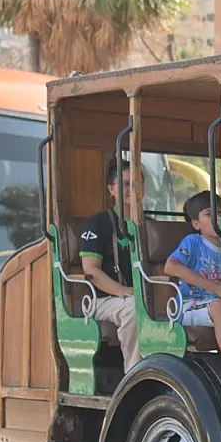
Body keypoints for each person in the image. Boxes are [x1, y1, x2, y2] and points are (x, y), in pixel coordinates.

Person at [164, 191, 221, 392]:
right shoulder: (193, 242)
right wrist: (216, 289)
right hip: (190, 305)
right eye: (209, 214)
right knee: (218, 306)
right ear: (196, 224)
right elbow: (171, 267)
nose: (217, 218)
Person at [79, 157, 142, 373]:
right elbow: (91, 270)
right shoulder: (98, 223)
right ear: (111, 189)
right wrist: (121, 290)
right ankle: (134, 375)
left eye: (136, 184)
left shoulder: (147, 223)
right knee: (133, 308)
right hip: (101, 299)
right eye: (125, 184)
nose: (131, 190)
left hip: (140, 295)